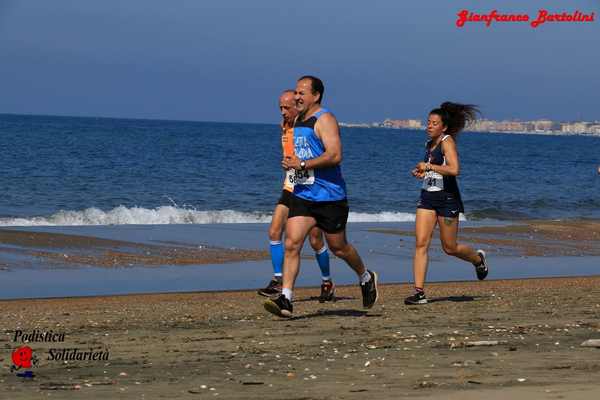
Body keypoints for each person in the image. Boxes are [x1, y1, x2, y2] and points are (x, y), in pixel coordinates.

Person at [264, 76, 378, 318]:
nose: (297, 97)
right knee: (292, 243)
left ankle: (365, 276)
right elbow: (299, 154)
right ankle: (286, 298)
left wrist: (303, 163)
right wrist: (291, 164)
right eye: (296, 92)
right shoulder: (295, 122)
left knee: (339, 247)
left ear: (316, 96)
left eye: (302, 92)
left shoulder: (324, 119)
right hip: (304, 195)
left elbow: (335, 155)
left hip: (330, 196)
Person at [405, 102, 489, 305]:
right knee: (420, 243)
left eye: (434, 123)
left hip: (447, 200)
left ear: (443, 127)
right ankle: (419, 292)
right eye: (428, 122)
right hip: (427, 198)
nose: (430, 126)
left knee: (449, 248)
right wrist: (422, 172)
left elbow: (454, 169)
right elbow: (434, 170)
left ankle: (477, 259)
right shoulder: (429, 144)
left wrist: (428, 166)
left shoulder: (447, 142)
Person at [258, 90, 336, 302]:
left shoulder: (311, 125)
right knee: (274, 230)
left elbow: (327, 154)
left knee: (315, 239)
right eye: (280, 108)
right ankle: (278, 280)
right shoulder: (285, 127)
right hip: (291, 186)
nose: (283, 112)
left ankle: (327, 281)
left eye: (287, 108)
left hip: (312, 189)